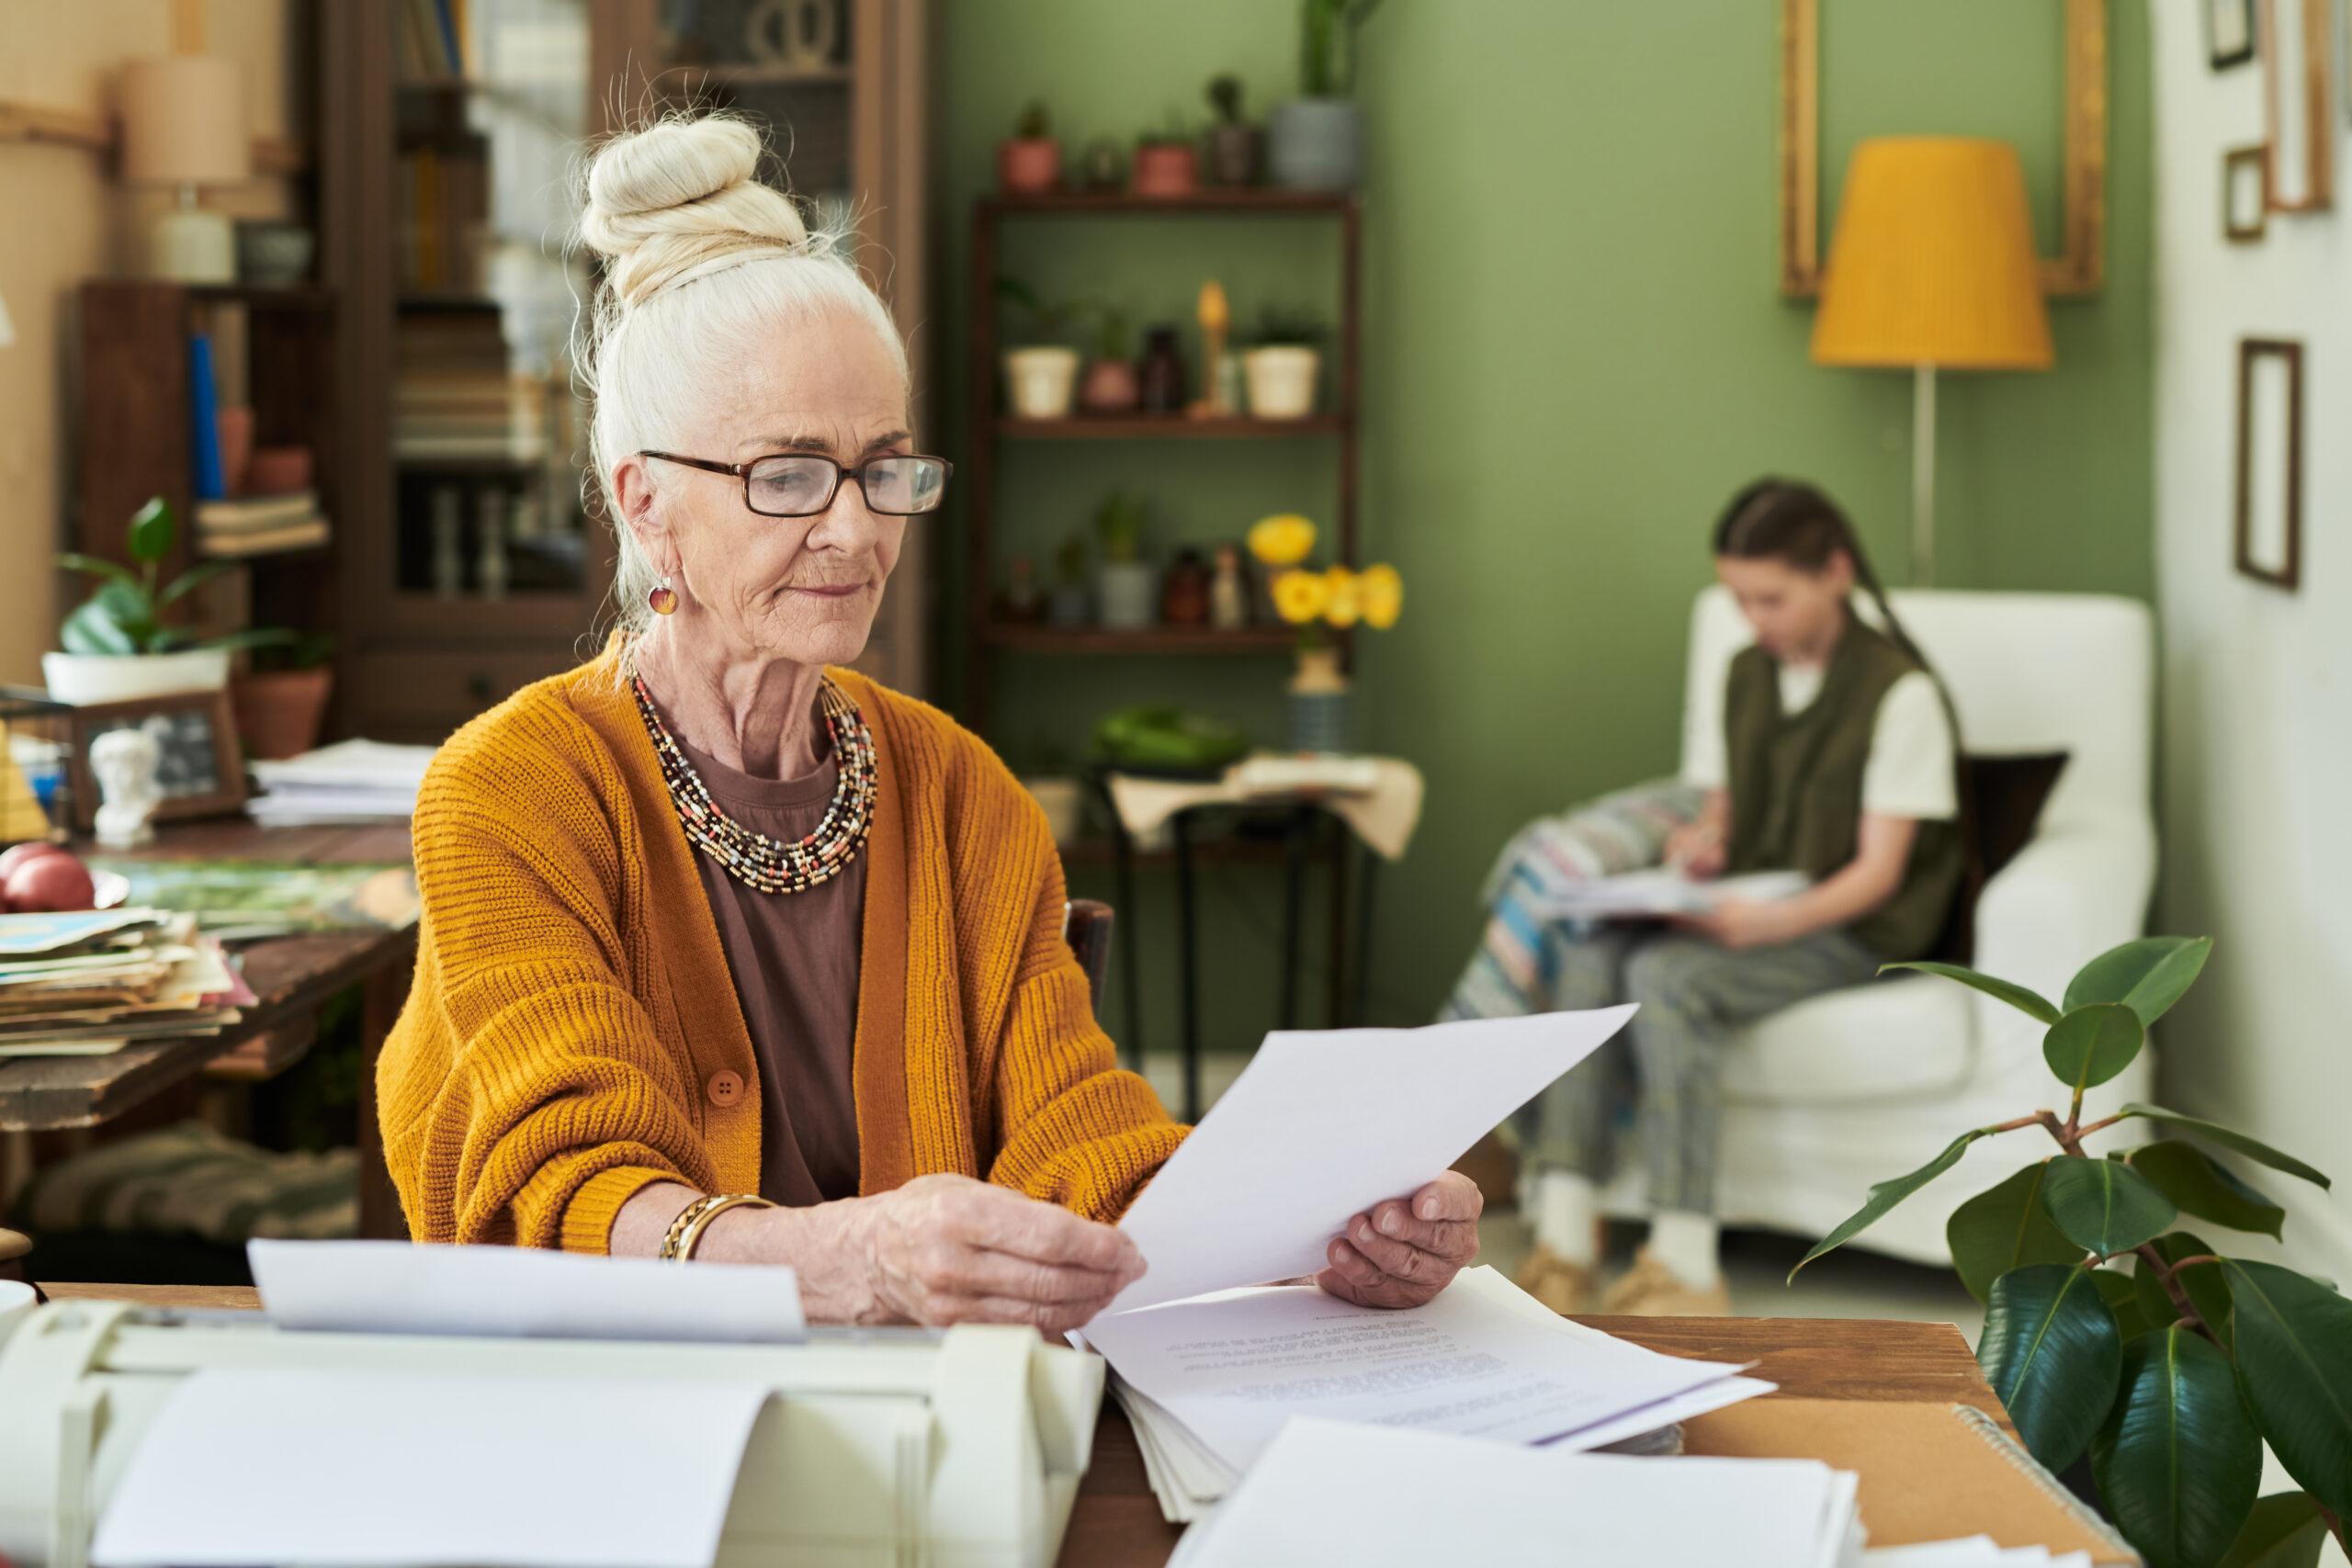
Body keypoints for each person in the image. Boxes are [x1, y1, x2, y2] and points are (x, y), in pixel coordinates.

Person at [375, 112, 1479, 1330]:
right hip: (631, 1415)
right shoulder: (514, 786)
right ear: (647, 506)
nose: (856, 529)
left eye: (885, 466)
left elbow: (1076, 1130)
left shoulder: (960, 786)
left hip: (930, 1420)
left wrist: (1316, 1228)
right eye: (787, 474)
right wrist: (846, 1258)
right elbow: (557, 1188)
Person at [1445, 479, 1962, 1316]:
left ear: (1835, 572)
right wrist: (1704, 845)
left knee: (1668, 978)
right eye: (1739, 599)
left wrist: (1768, 922)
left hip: (1855, 928)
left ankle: (1686, 1263)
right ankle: (1566, 1238)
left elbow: (1880, 875)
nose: (1756, 618)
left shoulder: (1901, 695)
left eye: (1772, 598)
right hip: (1753, 902)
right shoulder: (1744, 675)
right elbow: (1728, 804)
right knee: (1587, 951)